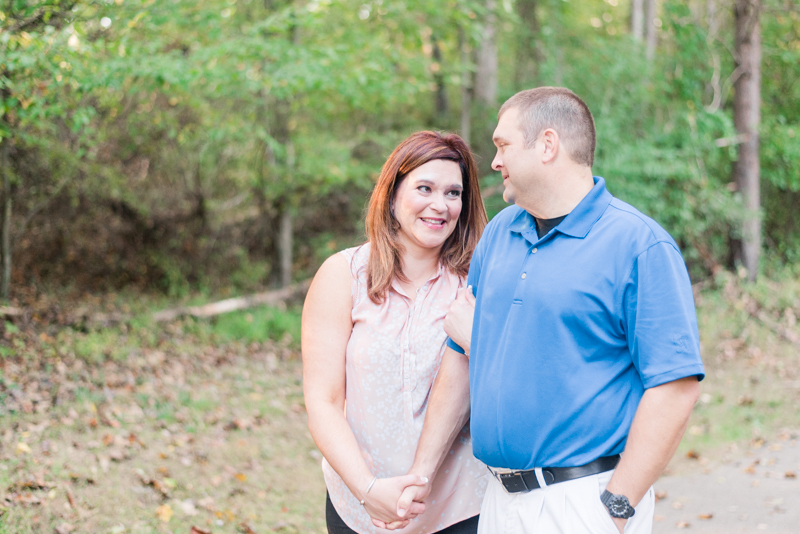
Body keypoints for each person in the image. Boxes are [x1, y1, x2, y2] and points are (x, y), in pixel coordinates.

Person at [397, 87, 705, 534]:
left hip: (583, 501)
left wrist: (617, 506)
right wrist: (420, 475)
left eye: (503, 145)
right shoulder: (501, 233)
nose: (495, 161)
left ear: (547, 145)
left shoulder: (638, 245)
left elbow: (674, 386)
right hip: (500, 501)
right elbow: (460, 359)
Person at [302, 131, 490, 534]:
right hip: (357, 506)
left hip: (461, 508)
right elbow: (324, 401)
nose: (440, 205)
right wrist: (368, 490)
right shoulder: (343, 276)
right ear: (392, 194)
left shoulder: (478, 284)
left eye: (454, 193)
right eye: (425, 188)